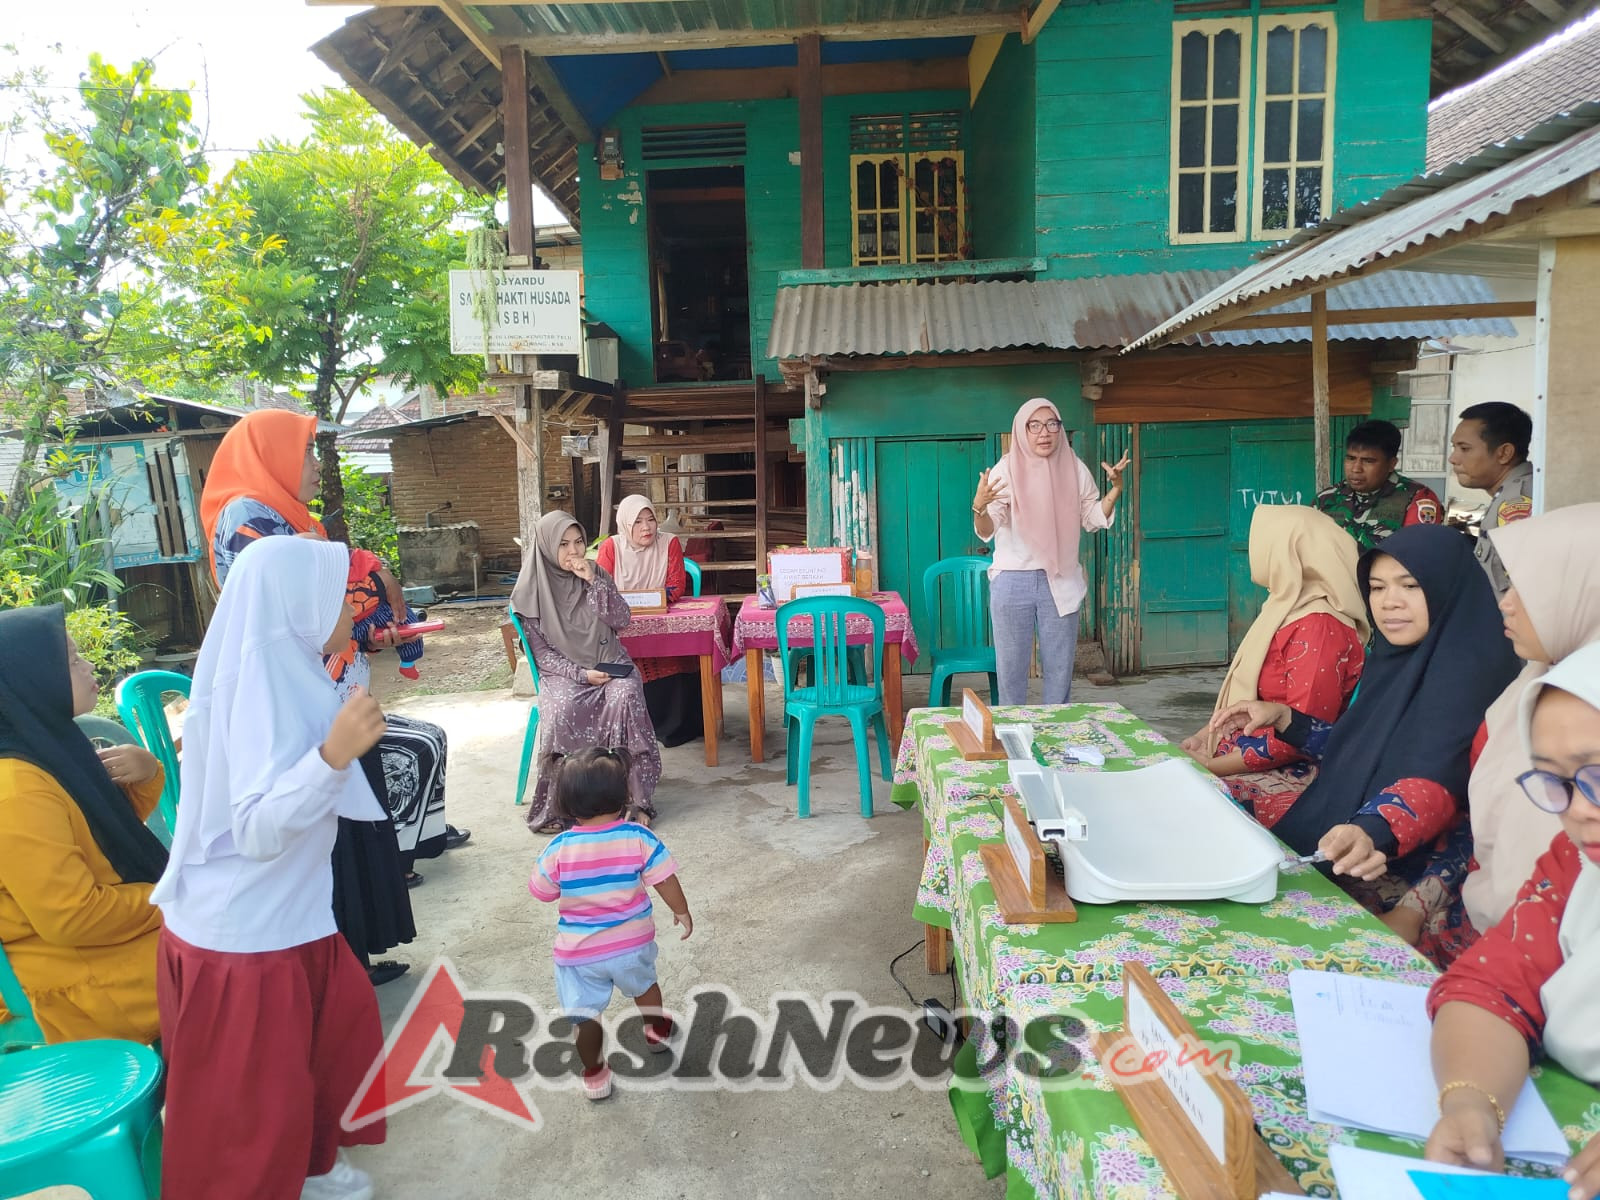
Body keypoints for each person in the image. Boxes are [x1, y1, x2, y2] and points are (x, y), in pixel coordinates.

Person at [151, 535, 388, 1200]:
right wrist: (332, 756)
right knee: (253, 1104)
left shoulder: (285, 666)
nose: (353, 606)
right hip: (244, 937)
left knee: (317, 1053)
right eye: (339, 594)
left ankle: (310, 1167)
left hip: (288, 915)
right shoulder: (257, 684)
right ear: (296, 604)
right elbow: (255, 828)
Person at [201, 409, 436, 984]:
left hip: (331, 684)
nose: (313, 466)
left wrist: (371, 633)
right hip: (303, 693)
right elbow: (286, 614)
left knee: (351, 821)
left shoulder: (289, 514)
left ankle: (354, 950)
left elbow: (328, 610)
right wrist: (360, 620)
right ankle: (339, 960)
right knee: (325, 818)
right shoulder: (246, 517)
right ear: (270, 455)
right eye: (305, 452)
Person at [1208, 526, 1520, 945]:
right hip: (1358, 843)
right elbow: (1360, 749)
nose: (1389, 602)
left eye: (1410, 586)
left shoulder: (1475, 679)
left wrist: (1375, 832)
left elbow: (1445, 791)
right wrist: (1285, 718)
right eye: (1376, 587)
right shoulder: (1394, 661)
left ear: (1448, 588)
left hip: (1426, 877)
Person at [1423, 641, 1600, 1195]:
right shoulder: (1577, 865)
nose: (1576, 809)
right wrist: (1472, 1102)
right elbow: (1495, 983)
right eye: (1556, 781)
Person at [1415, 503, 1600, 956]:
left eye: (1529, 588)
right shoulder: (1526, 686)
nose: (1505, 602)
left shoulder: (1581, 713)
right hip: (1488, 925)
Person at [0, 605, 168, 1044]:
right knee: (243, 963)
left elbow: (99, 841)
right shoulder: (15, 788)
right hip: (71, 980)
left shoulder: (47, 745)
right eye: (72, 660)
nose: (89, 665)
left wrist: (147, 773)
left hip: (97, 948)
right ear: (30, 679)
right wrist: (172, 896)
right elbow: (71, 918)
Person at [1182, 506, 1368, 825]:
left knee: (1181, 802)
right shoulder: (1286, 606)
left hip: (1299, 773)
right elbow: (1248, 692)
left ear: (1288, 551)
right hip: (1251, 750)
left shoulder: (1319, 627)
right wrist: (1205, 738)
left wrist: (1211, 767)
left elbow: (1299, 736)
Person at [528, 747, 691, 1101]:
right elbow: (664, 879)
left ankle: (595, 1074)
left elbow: (541, 892)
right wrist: (681, 910)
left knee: (584, 1018)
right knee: (645, 986)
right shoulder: (639, 837)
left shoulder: (558, 849)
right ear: (623, 797)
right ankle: (656, 1030)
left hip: (578, 954)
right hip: (631, 945)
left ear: (566, 803)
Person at [972, 398, 1129, 705]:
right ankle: (1013, 737)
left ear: (1060, 428)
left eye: (1051, 424)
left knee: (1059, 671)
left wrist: (1115, 491)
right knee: (1011, 669)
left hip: (1061, 580)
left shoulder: (1074, 467)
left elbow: (1092, 518)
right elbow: (989, 528)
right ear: (1021, 430)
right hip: (1013, 579)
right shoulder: (1006, 469)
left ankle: (1055, 736)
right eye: (1034, 425)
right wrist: (979, 505)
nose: (1044, 432)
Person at [513, 511, 663, 834]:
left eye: (578, 542)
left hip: (609, 662)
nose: (574, 552)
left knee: (625, 694)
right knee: (563, 709)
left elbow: (622, 619)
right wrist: (582, 674)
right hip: (565, 674)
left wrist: (595, 584)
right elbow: (543, 657)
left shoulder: (596, 574)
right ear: (546, 548)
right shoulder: (530, 591)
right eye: (563, 544)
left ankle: (633, 801)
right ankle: (567, 806)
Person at [595, 495, 703, 747]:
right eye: (637, 522)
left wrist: (649, 600)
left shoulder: (669, 543)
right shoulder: (611, 547)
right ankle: (636, 727)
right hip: (622, 621)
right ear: (625, 524)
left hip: (663, 613)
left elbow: (676, 586)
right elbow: (601, 590)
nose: (646, 527)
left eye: (651, 519)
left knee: (680, 649)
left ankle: (679, 727)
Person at [1313, 419, 1442, 551]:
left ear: (1392, 464)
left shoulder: (1416, 498)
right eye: (1351, 458)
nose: (1356, 469)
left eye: (1368, 461)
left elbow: (1417, 556)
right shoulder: (1326, 499)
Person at [1449, 401, 1535, 597]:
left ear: (1504, 453)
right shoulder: (1508, 494)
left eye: (1464, 448)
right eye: (1454, 447)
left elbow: (1524, 593)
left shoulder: (1516, 503)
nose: (1453, 458)